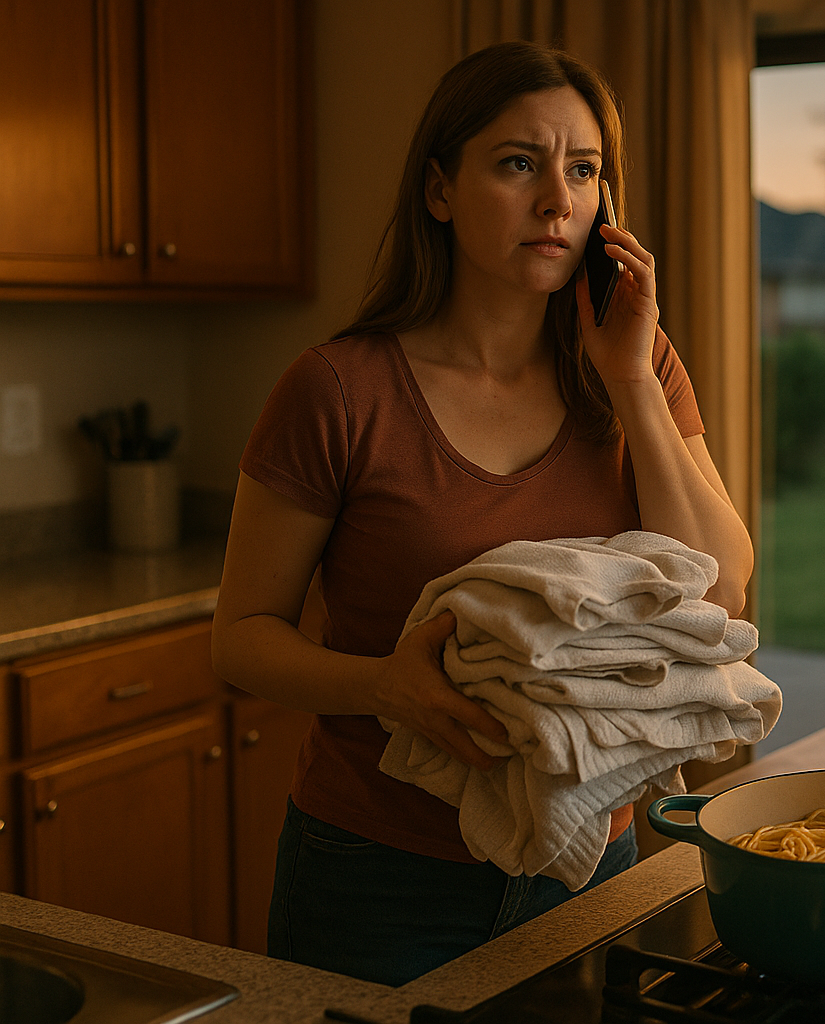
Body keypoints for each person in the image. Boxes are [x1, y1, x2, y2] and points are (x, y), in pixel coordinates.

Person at [209, 41, 753, 986]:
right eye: (517, 163)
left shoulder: (638, 368)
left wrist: (628, 374)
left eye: (583, 170)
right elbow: (241, 637)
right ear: (439, 190)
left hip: (593, 858)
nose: (557, 200)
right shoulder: (338, 391)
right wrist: (383, 684)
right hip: (378, 881)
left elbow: (724, 588)